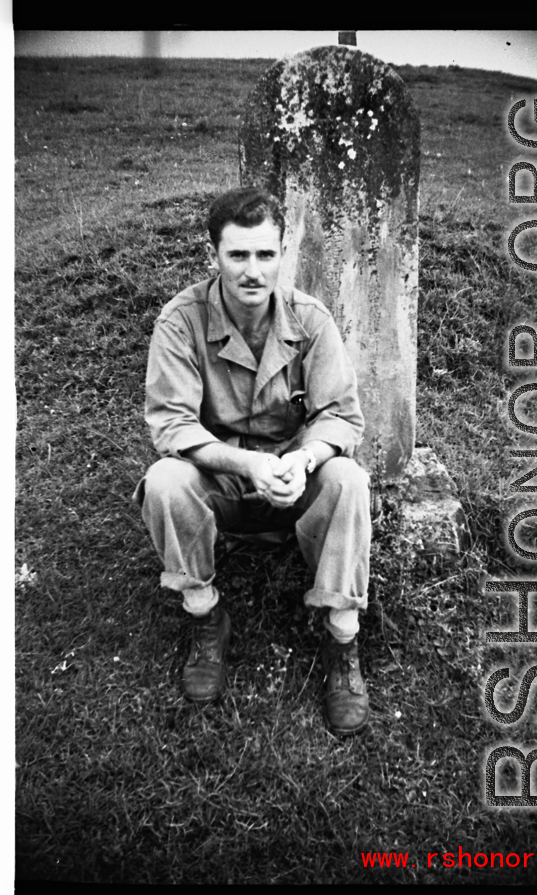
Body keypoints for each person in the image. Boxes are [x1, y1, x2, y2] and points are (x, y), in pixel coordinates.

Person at [134, 186, 371, 736]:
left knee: (349, 479)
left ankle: (342, 638)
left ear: (282, 253)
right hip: (221, 486)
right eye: (238, 254)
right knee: (166, 480)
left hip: (293, 485)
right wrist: (246, 467)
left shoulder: (311, 320)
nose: (252, 271)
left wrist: (306, 460)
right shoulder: (181, 321)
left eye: (265, 254)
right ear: (213, 254)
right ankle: (205, 613)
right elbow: (171, 423)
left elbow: (342, 416)